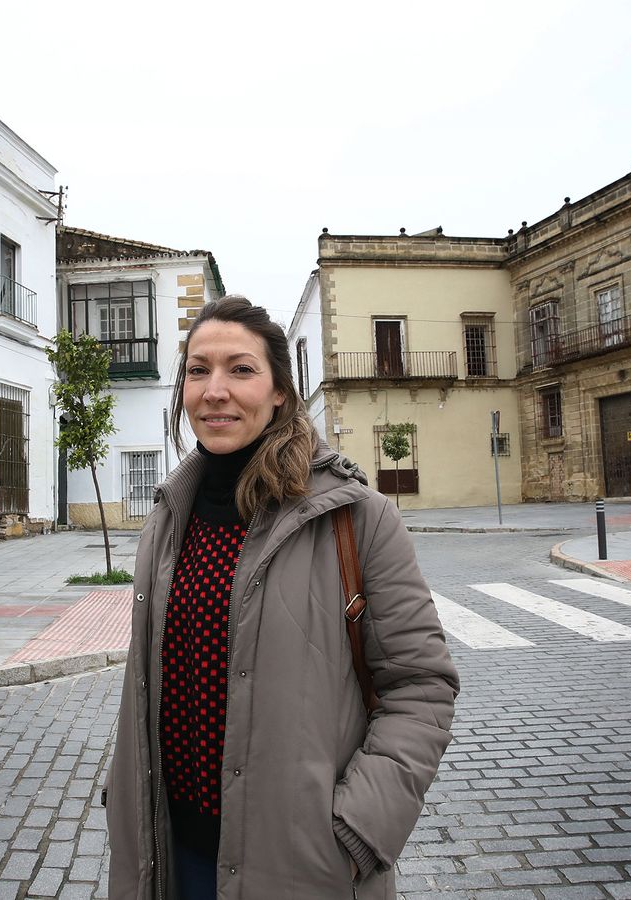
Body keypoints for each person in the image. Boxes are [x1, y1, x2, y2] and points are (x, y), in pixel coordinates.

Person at [107, 295, 459, 899]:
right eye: (198, 370)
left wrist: (356, 830)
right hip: (172, 855)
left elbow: (421, 686)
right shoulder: (168, 518)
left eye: (241, 369)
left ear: (279, 393)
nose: (215, 390)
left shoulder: (356, 517)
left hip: (301, 864)